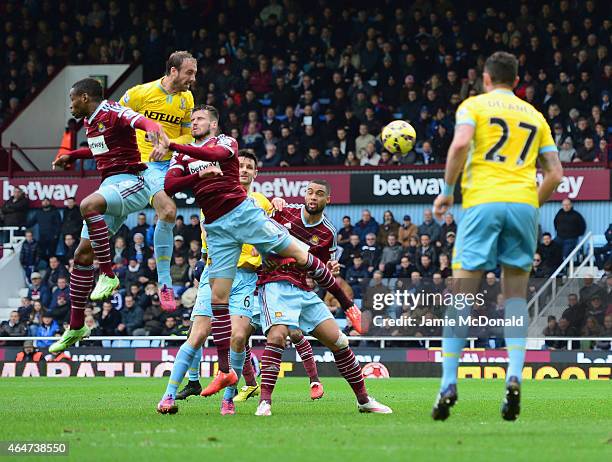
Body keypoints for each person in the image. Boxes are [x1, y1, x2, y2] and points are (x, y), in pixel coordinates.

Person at [157, 107, 359, 413]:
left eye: (199, 119)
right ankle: (225, 372)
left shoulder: (226, 142)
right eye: (192, 119)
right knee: (218, 300)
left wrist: (173, 146)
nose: (193, 122)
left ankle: (348, 305)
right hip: (217, 227)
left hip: (243, 217)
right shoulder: (184, 156)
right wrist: (197, 172)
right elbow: (170, 186)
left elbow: (216, 156)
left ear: (213, 123)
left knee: (300, 255)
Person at [431, 51, 563, 421]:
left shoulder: (473, 106)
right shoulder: (534, 115)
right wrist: (529, 205)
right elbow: (555, 174)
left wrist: (446, 191)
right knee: (516, 298)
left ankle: (447, 384)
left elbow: (459, 145)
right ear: (516, 80)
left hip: (482, 203)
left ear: (486, 79)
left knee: (462, 295)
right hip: (523, 205)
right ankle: (515, 375)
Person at [46, 77, 167, 353]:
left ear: (85, 97)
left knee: (88, 205)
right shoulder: (90, 122)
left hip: (133, 180)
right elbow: (101, 149)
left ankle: (108, 273)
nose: (71, 105)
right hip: (111, 185)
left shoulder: (113, 111)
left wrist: (154, 133)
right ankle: (76, 326)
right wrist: (74, 155)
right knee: (81, 255)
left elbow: (143, 122)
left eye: (72, 99)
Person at [253, 180, 392, 416]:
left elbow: (321, 271)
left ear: (328, 199)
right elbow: (257, 235)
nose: (313, 197)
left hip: (303, 290)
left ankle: (364, 400)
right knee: (277, 336)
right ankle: (264, 401)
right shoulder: (284, 211)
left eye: (319, 194)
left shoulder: (328, 232)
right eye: (309, 192)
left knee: (339, 341)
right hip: (274, 284)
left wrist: (331, 268)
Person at [120, 51, 197, 311]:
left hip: (173, 162)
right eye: (189, 72)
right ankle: (164, 282)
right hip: (145, 163)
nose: (193, 78)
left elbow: (189, 136)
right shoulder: (140, 93)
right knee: (169, 210)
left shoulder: (187, 98)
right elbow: (115, 121)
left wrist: (170, 144)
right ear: (173, 71)